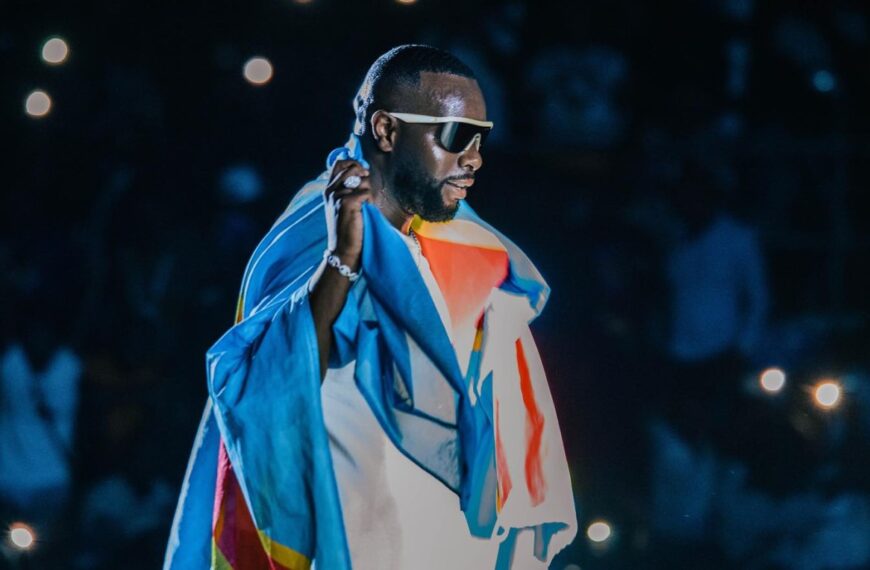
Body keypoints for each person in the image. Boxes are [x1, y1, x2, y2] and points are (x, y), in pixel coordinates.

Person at [165, 45, 576, 570]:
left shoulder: (465, 248)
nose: (474, 157)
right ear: (385, 131)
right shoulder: (312, 235)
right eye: (455, 136)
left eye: (481, 137)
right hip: (353, 546)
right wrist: (341, 261)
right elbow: (264, 381)